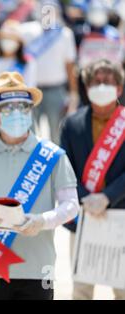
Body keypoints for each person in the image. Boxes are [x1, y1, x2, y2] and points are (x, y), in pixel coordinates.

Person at [0, 71, 79, 300]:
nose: (17, 113)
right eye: (8, 108)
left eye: (23, 107)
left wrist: (42, 221)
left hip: (38, 265)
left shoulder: (52, 155)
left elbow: (71, 205)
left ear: (31, 110)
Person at [60, 59, 125, 300]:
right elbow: (64, 169)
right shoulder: (71, 123)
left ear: (119, 88)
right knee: (82, 289)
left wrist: (107, 196)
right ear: (87, 88)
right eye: (96, 82)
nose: (101, 86)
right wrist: (87, 198)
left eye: (107, 81)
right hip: (84, 217)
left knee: (122, 288)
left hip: (121, 217)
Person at [20, 0, 79, 144]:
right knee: (29, 134)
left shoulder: (64, 34)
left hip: (56, 90)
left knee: (57, 134)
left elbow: (70, 66)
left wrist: (73, 93)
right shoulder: (26, 31)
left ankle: (57, 166)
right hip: (30, 91)